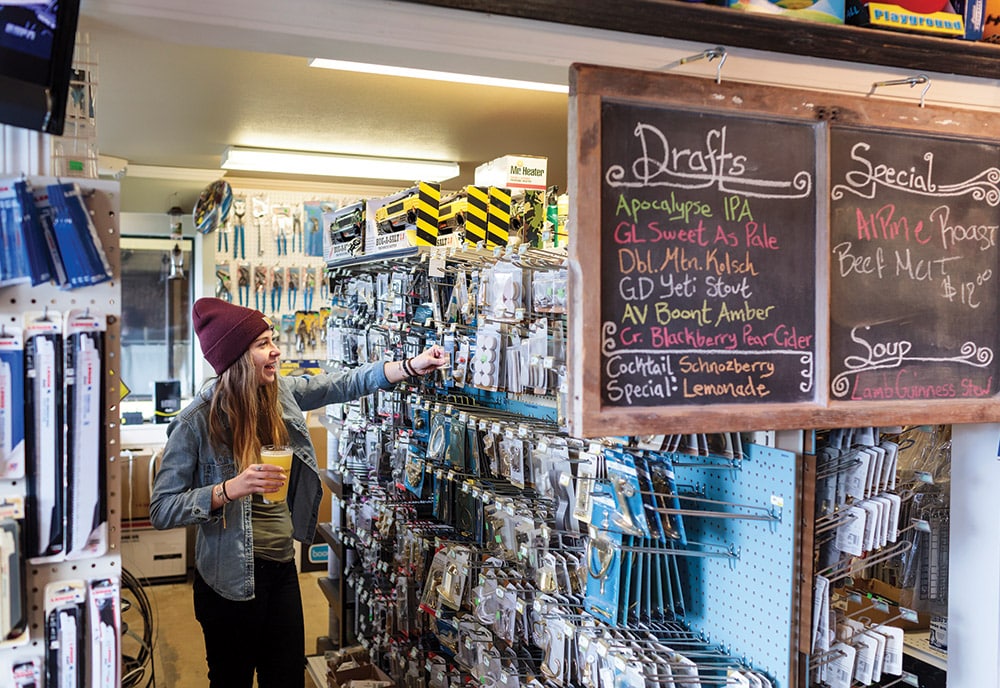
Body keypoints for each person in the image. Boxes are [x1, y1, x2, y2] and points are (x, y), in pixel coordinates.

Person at [149, 297, 446, 687]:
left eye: (272, 339)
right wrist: (228, 489)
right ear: (236, 357)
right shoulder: (196, 422)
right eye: (262, 344)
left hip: (281, 566)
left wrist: (410, 366)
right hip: (228, 581)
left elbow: (343, 383)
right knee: (230, 679)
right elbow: (162, 508)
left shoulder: (279, 393)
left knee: (287, 677)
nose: (275, 350)